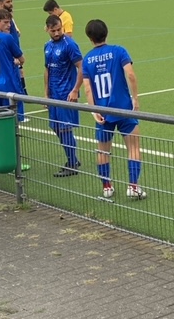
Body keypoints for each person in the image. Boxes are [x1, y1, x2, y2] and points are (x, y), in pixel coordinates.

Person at [82, 19, 146, 199]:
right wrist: (135, 98)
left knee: (103, 150)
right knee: (133, 147)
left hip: (103, 112)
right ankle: (133, 187)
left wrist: (94, 110)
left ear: (90, 38)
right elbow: (131, 74)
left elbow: (87, 88)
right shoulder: (119, 51)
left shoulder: (88, 59)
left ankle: (107, 187)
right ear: (106, 33)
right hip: (124, 109)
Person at [44, 15, 83, 177]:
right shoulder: (47, 46)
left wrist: (75, 90)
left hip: (66, 94)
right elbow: (47, 69)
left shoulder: (69, 44)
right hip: (53, 94)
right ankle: (73, 158)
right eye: (53, 30)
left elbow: (81, 67)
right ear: (47, 29)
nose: (57, 33)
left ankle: (72, 164)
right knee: (55, 127)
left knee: (65, 128)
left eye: (59, 29)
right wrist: (46, 93)